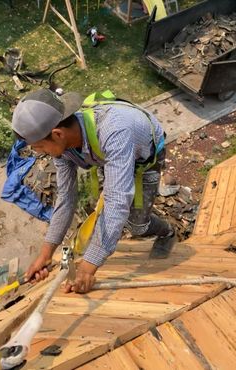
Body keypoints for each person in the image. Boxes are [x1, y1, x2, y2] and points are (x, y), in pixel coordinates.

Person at [12, 88, 175, 293]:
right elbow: (66, 197)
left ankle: (168, 232)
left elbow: (117, 200)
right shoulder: (63, 147)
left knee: (137, 226)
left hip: (145, 157)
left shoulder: (114, 132)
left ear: (58, 134)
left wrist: (89, 266)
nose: (40, 153)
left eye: (38, 147)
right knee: (109, 210)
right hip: (114, 154)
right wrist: (45, 253)